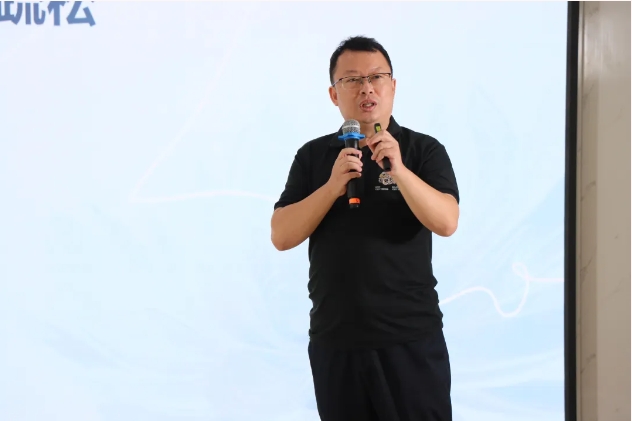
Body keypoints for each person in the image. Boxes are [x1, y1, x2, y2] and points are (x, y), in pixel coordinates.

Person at [270, 36, 460, 421]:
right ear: (333, 94)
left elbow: (446, 221)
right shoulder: (313, 156)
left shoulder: (423, 151)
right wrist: (331, 187)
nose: (366, 88)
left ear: (393, 86)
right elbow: (281, 235)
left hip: (410, 338)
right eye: (352, 80)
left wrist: (400, 171)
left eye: (376, 77)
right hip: (337, 341)